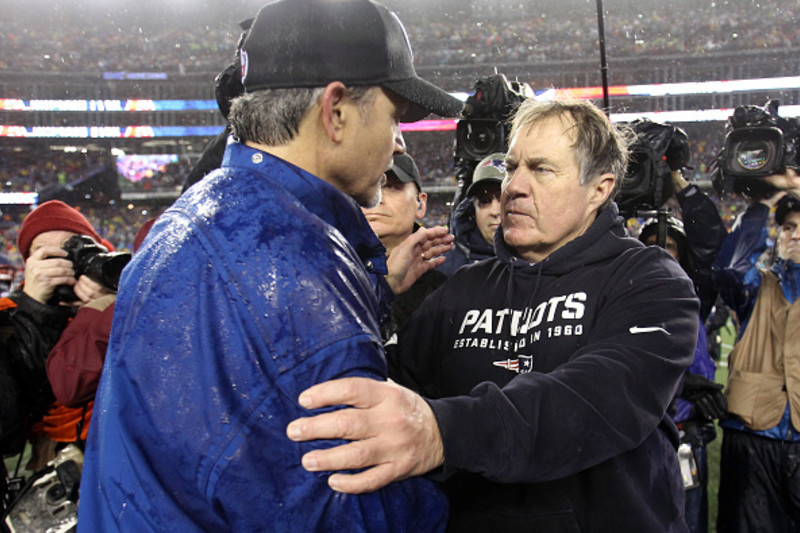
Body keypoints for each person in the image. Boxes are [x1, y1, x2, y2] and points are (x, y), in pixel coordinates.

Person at [78, 0, 462, 531]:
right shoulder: (296, 258)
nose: (399, 139)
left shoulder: (191, 214)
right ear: (335, 112)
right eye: (396, 115)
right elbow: (349, 511)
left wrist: (376, 290)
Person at [287, 98, 700, 531]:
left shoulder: (651, 281)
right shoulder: (464, 288)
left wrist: (442, 432)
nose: (513, 188)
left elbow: (593, 401)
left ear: (600, 188)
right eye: (512, 167)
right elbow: (372, 384)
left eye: (541, 170)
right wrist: (378, 289)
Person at [638, 168, 728, 533]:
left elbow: (713, 245)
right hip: (640, 435)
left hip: (686, 435)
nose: (659, 253)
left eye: (670, 246)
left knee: (687, 524)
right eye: (650, 246)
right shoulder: (622, 299)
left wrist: (681, 186)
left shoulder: (694, 296)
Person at [711, 170, 800, 533]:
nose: (797, 234)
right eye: (790, 227)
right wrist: (763, 205)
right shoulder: (757, 286)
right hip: (752, 438)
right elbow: (730, 270)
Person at [0, 200, 115, 472]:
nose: (64, 263)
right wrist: (35, 309)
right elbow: (17, 412)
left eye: (74, 249)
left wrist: (110, 304)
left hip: (124, 442)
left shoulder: (122, 296)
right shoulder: (8, 316)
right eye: (47, 255)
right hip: (55, 458)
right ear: (29, 264)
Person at [362, 153, 449, 341]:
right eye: (368, 186)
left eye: (391, 186)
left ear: (421, 203)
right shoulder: (325, 274)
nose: (377, 199)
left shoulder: (448, 287)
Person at [436, 152, 504, 276]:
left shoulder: (542, 262)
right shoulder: (444, 268)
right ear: (472, 209)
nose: (494, 211)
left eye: (504, 200)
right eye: (485, 201)